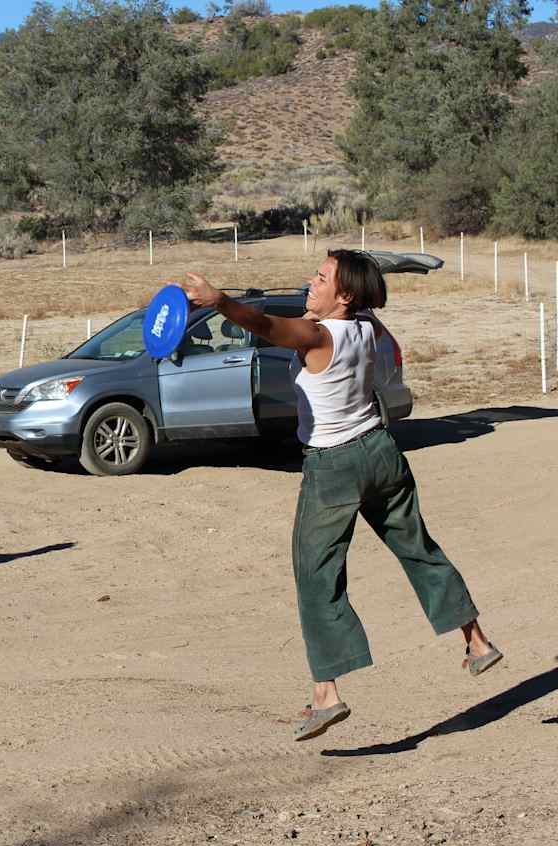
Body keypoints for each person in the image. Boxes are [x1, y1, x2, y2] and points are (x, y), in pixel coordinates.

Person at [183, 250, 502, 741]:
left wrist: (219, 300)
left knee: (316, 573)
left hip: (333, 465)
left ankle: (326, 695)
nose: (311, 281)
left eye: (322, 277)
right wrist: (333, 308)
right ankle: (477, 641)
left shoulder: (316, 336)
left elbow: (265, 326)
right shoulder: (367, 330)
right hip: (380, 451)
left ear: (345, 294)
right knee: (418, 549)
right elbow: (368, 334)